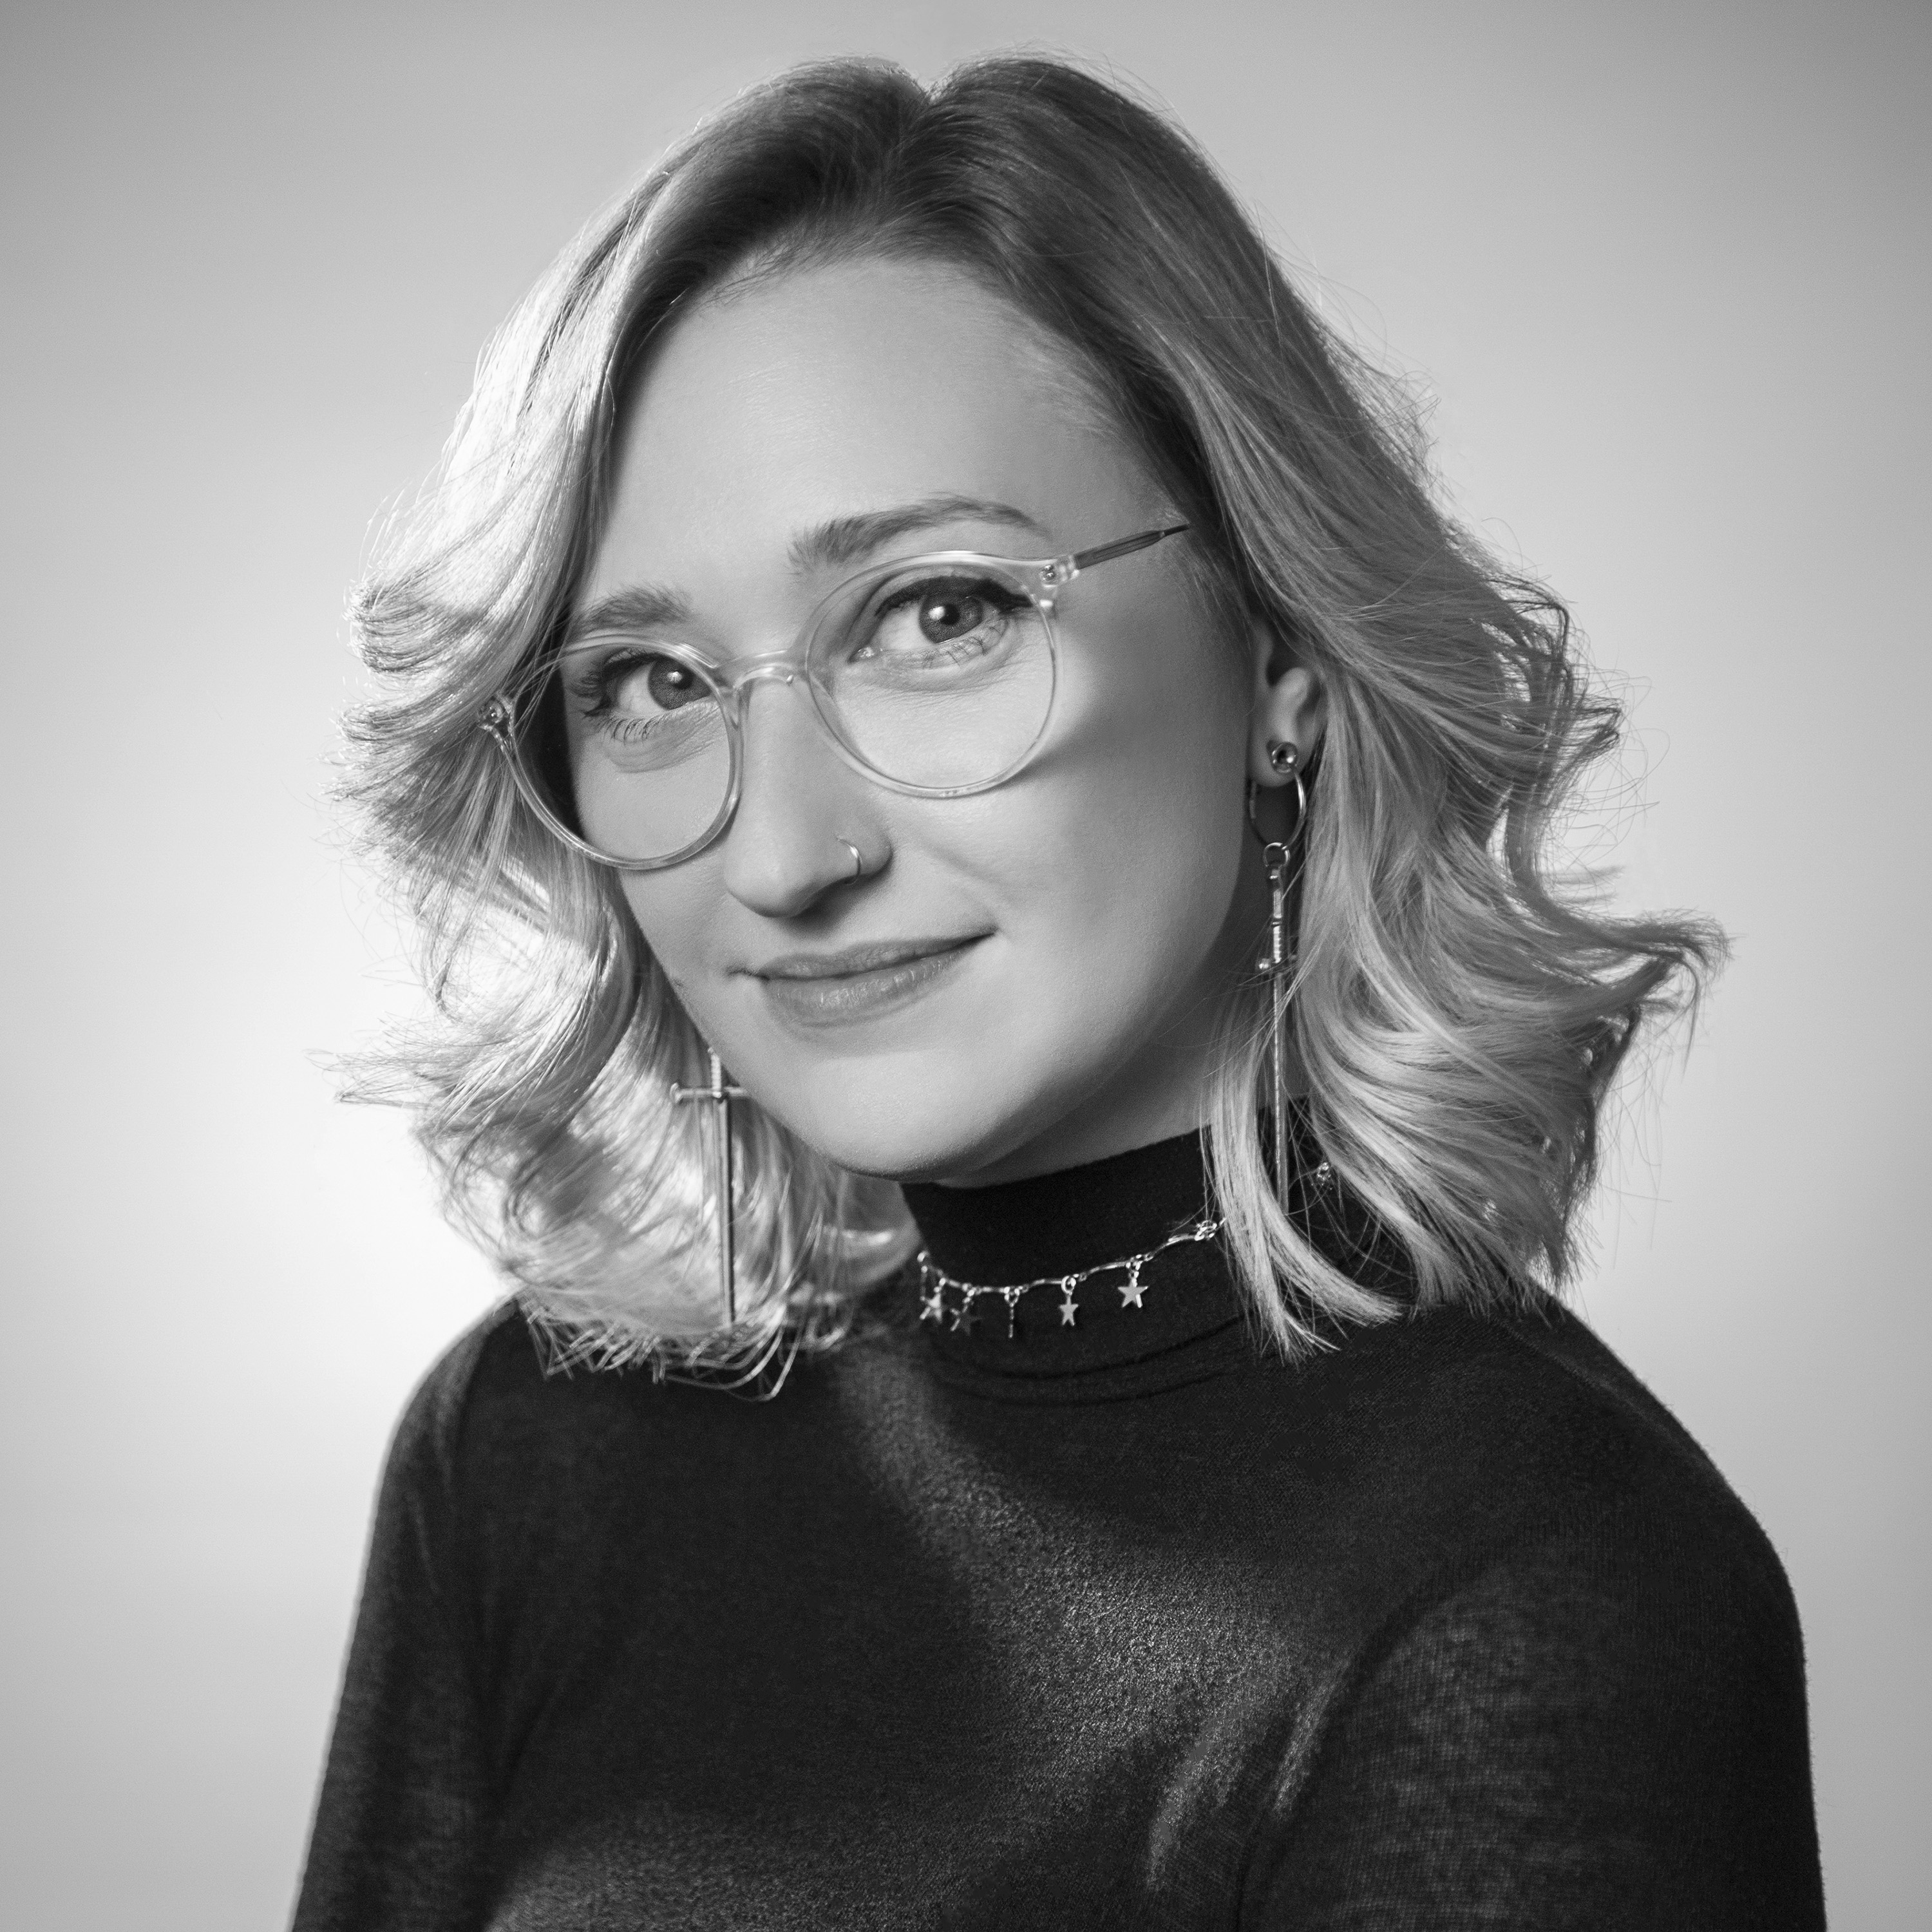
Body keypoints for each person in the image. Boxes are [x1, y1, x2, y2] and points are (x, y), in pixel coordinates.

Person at [292, 53, 1824, 1931]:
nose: (785, 853)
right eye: (652, 682)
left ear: (1281, 659)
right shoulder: (534, 1445)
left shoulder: (1536, 1583)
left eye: (938, 613)